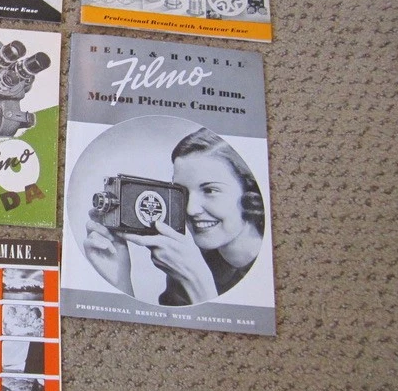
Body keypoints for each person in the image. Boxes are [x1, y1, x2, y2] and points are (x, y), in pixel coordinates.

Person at [83, 127, 265, 306]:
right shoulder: (187, 266)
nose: (191, 209)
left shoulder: (268, 271)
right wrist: (119, 280)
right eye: (181, 192)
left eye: (210, 190)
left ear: (250, 192)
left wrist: (197, 281)